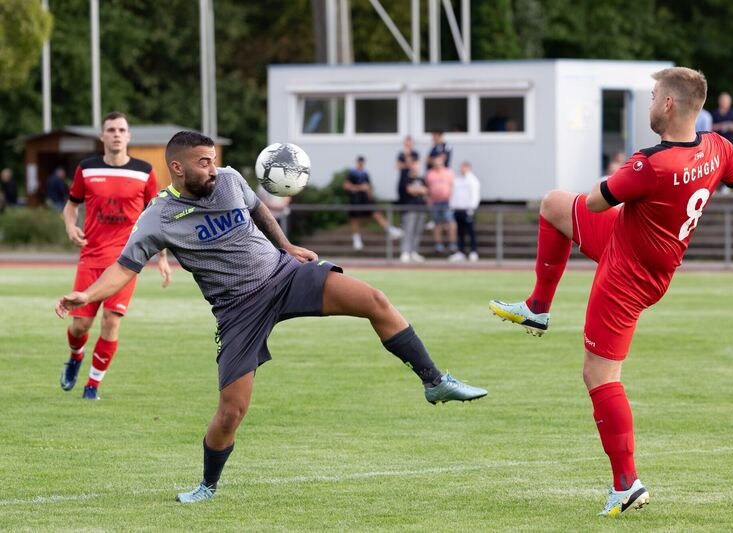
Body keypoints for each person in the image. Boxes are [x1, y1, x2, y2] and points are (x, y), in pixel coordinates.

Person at [55, 131, 488, 503]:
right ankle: (207, 484)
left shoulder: (228, 181)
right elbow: (123, 269)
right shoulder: (157, 219)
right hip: (238, 311)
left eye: (214, 160)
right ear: (178, 168)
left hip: (282, 276)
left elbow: (258, 210)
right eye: (203, 162)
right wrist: (86, 295)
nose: (213, 168)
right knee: (232, 412)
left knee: (374, 300)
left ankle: (434, 382)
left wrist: (287, 247)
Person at [488, 67, 733, 516]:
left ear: (668, 104)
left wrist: (620, 175)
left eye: (652, 96)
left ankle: (626, 484)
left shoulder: (650, 164)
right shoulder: (718, 147)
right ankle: (537, 308)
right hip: (631, 243)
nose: (648, 104)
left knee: (600, 377)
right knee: (551, 204)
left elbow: (597, 201)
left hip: (628, 275)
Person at [59, 111, 172, 400]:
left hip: (127, 261)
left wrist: (161, 257)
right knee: (80, 325)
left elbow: (154, 216)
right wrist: (71, 226)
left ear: (129, 135)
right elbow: (71, 206)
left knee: (111, 320)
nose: (117, 134)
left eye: (121, 129)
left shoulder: (144, 171)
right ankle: (75, 356)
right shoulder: (87, 168)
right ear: (102, 136)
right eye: (111, 129)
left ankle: (92, 386)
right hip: (91, 257)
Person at [343, 156, 403, 251]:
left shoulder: (365, 173)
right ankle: (356, 239)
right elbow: (346, 186)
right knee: (355, 220)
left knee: (376, 214)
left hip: (365, 199)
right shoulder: (352, 173)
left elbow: (368, 187)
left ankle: (390, 229)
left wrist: (370, 196)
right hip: (355, 199)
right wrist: (359, 187)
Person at [425, 153, 457, 254]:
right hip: (435, 202)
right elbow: (427, 188)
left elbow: (453, 187)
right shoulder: (429, 174)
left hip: (447, 201)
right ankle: (438, 244)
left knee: (450, 222)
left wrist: (453, 200)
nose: (438, 164)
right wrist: (428, 200)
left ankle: (452, 243)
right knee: (437, 223)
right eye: (436, 162)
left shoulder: (449, 173)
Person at [449, 162, 481, 262]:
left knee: (471, 232)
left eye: (464, 167)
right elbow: (453, 194)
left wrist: (471, 209)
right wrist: (452, 206)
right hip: (458, 209)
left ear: (469, 168)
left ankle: (473, 252)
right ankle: (461, 252)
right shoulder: (457, 180)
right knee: (460, 232)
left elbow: (475, 196)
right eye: (461, 167)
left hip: (467, 210)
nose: (462, 169)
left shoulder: (472, 180)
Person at [397, 159, 427, 263]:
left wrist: (417, 190)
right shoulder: (406, 178)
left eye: (417, 165)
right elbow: (409, 190)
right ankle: (405, 252)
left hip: (421, 208)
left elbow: (425, 190)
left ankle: (413, 252)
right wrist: (418, 190)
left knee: (417, 231)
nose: (415, 167)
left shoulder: (422, 179)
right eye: (413, 165)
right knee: (408, 230)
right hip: (410, 209)